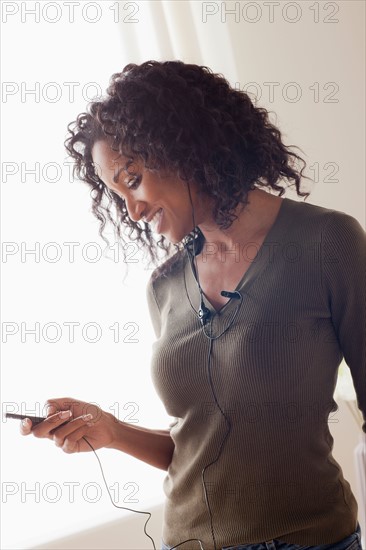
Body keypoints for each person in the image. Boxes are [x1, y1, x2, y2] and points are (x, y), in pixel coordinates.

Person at [20, 61, 365, 550]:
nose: (133, 211)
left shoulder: (327, 242)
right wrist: (111, 430)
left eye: (133, 179)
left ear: (184, 149)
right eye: (118, 197)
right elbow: (200, 447)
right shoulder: (165, 285)